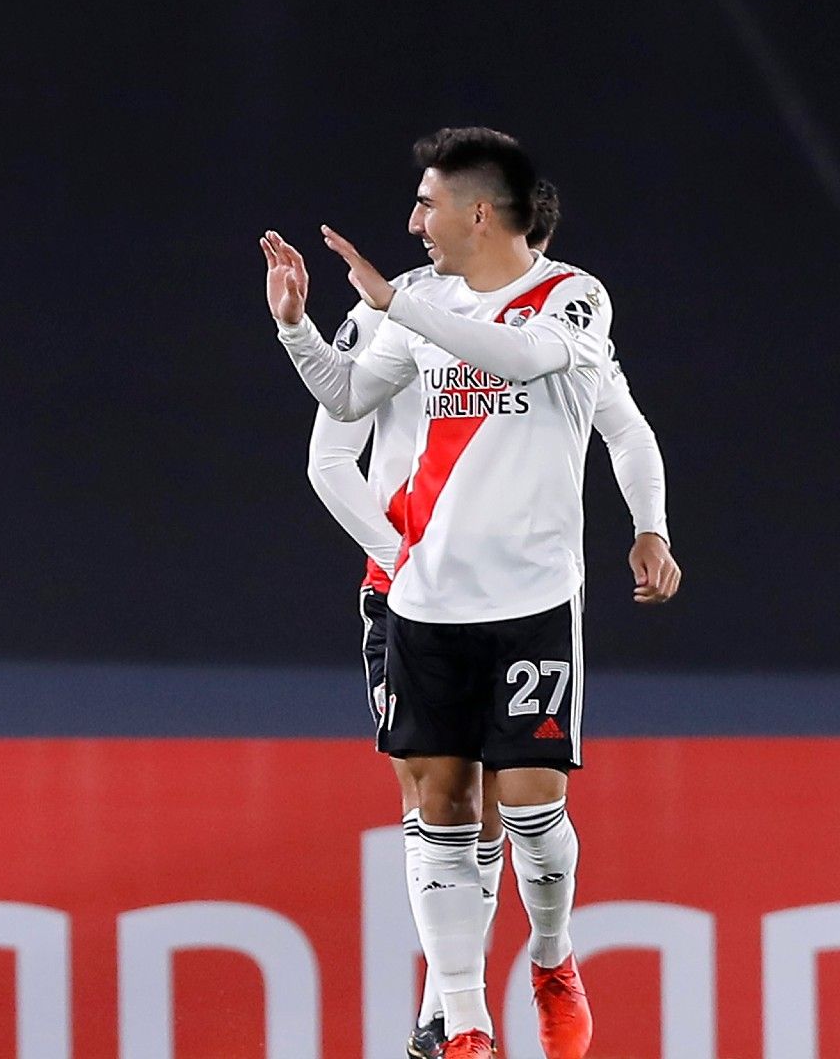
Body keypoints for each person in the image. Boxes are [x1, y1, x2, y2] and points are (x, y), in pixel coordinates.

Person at [263, 126, 672, 1058]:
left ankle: (554, 957)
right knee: (441, 804)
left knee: (530, 808)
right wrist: (294, 326)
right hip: (425, 600)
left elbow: (527, 367)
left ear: (478, 211)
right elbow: (350, 400)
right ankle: (466, 1026)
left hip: (530, 599)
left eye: (428, 203)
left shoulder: (571, 301)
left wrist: (649, 524)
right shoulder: (420, 304)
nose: (414, 222)